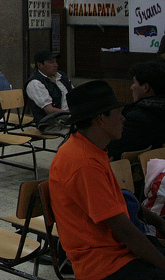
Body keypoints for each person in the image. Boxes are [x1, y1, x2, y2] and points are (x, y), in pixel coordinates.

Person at [49, 80, 165, 279]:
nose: (123, 119)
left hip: (116, 250)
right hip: (103, 264)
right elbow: (124, 230)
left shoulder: (91, 149)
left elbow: (116, 200)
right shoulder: (83, 162)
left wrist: (157, 221)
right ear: (100, 119)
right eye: (118, 113)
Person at [107, 62, 165, 160]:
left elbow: (113, 148)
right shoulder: (158, 110)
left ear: (145, 87)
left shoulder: (137, 119)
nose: (131, 87)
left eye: (134, 82)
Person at [25, 50, 73, 125]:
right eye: (51, 62)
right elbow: (49, 110)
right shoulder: (35, 83)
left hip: (69, 116)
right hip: (50, 122)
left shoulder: (61, 76)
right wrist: (71, 114)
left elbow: (74, 93)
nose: (56, 65)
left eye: (56, 62)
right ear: (40, 65)